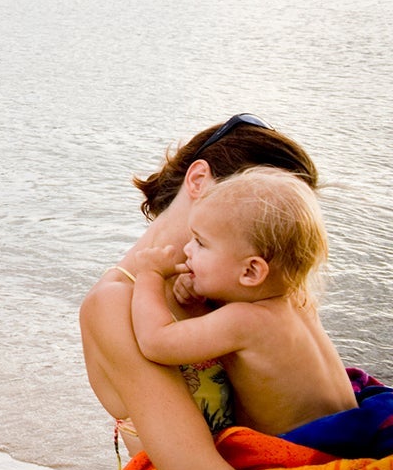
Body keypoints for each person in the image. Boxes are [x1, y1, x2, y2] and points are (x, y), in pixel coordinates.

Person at [79, 114, 359, 470]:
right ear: (199, 179)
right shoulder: (116, 303)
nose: (274, 235)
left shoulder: (262, 286)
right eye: (257, 206)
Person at [128, 166, 355, 438]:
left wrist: (149, 276)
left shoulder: (245, 321)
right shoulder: (297, 300)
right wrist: (201, 297)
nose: (187, 249)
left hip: (312, 445)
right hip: (352, 425)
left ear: (251, 272)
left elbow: (156, 343)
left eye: (200, 243)